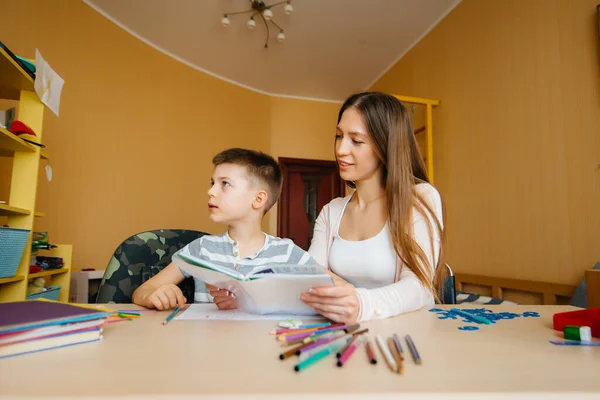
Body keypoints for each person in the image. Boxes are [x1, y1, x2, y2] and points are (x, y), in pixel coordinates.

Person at [300, 91, 445, 323]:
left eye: (356, 140)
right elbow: (311, 276)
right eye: (339, 136)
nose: (340, 150)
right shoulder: (331, 211)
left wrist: (359, 304)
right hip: (342, 335)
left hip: (405, 339)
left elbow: (419, 287)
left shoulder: (420, 198)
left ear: (386, 145)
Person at [132, 148, 315, 310]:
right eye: (212, 183)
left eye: (225, 184)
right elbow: (143, 291)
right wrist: (153, 296)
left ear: (258, 199)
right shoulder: (201, 249)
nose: (211, 191)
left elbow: (332, 287)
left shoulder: (287, 253)